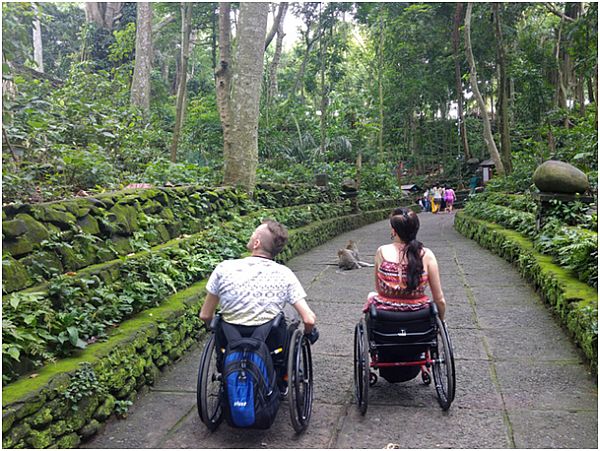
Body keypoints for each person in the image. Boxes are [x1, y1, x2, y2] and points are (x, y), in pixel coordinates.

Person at [199, 219, 318, 394]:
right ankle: (283, 376)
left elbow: (205, 315)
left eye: (254, 233)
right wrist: (309, 334)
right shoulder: (284, 274)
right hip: (270, 341)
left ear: (256, 243)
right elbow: (309, 319)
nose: (251, 235)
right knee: (290, 317)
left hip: (230, 339)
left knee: (220, 323)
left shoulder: (224, 268)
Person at [364, 207, 446, 320]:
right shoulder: (427, 255)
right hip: (419, 317)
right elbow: (439, 299)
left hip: (386, 317)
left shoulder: (382, 252)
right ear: (416, 228)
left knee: (371, 295)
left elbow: (379, 289)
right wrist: (441, 320)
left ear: (394, 231)